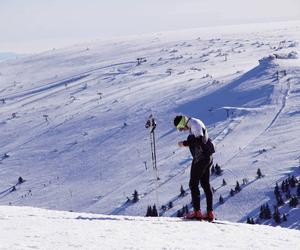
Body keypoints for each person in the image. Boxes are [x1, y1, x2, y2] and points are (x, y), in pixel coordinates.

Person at [174, 115, 214, 221]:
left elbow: (200, 140)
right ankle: (210, 213)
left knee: (193, 183)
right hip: (207, 156)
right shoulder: (195, 124)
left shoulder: (195, 124)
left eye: (180, 128)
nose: (182, 130)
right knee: (205, 184)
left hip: (201, 158)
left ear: (183, 123)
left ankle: (197, 212)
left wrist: (184, 143)